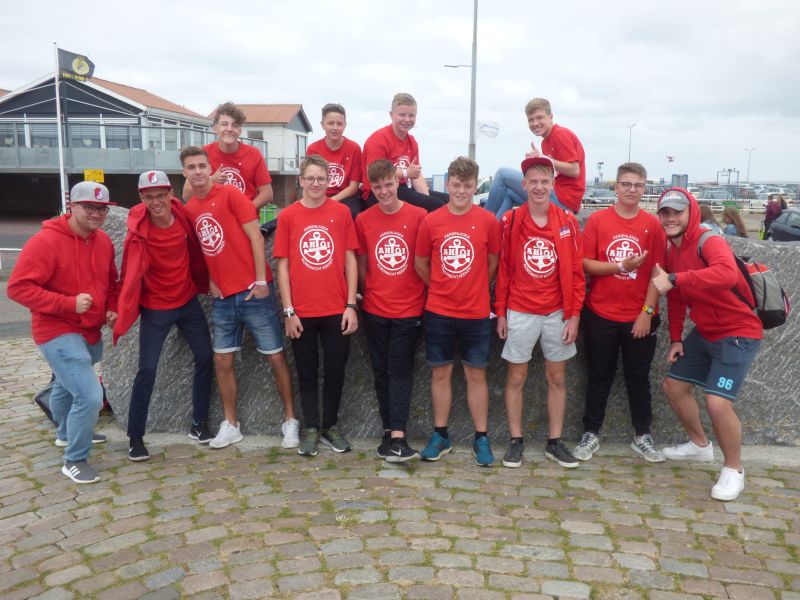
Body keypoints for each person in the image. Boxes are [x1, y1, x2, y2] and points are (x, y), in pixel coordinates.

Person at [180, 146, 299, 450]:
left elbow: (255, 236)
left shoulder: (231, 194)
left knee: (275, 356)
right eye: (191, 167)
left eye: (202, 166)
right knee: (222, 359)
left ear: (210, 168)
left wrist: (260, 281)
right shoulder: (190, 209)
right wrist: (209, 279)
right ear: (184, 173)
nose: (197, 172)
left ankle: (290, 420)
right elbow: (201, 249)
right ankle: (231, 423)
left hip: (254, 291)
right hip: (223, 297)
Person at [651, 188, 762, 502]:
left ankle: (734, 469)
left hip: (738, 332)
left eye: (677, 212)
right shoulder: (672, 250)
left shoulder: (708, 240)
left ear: (691, 213)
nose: (671, 218)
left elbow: (726, 274)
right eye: (665, 213)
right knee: (674, 387)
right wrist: (676, 338)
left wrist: (676, 278)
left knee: (717, 403)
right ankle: (700, 445)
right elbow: (674, 299)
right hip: (706, 331)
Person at [8, 182, 119, 484]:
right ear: (73, 207)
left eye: (102, 209)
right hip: (56, 330)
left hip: (91, 330)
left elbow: (112, 282)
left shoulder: (103, 241)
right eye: (89, 207)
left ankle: (66, 432)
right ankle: (74, 460)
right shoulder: (45, 241)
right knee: (89, 395)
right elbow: (18, 288)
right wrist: (68, 304)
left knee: (65, 385)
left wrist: (111, 307)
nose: (96, 214)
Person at [114, 170, 214, 462]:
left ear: (171, 194)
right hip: (156, 308)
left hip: (187, 302)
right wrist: (118, 307)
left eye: (161, 195)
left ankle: (198, 423)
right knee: (147, 369)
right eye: (149, 197)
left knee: (206, 357)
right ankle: (135, 437)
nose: (156, 202)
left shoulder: (183, 217)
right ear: (141, 198)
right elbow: (128, 273)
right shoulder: (138, 230)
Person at [572, 163, 666, 464]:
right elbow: (585, 263)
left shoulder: (653, 225)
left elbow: (658, 273)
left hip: (639, 315)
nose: (631, 190)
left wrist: (647, 312)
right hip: (601, 314)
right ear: (616, 187)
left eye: (638, 185)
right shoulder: (598, 221)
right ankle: (591, 432)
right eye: (626, 184)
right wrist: (621, 266)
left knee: (638, 378)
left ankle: (642, 434)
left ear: (645, 188)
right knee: (598, 376)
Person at [495, 156, 584, 469]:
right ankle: (516, 440)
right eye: (533, 181)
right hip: (520, 309)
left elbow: (576, 272)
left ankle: (554, 441)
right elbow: (504, 269)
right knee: (516, 376)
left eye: (544, 181)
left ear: (552, 184)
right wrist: (501, 312)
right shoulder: (511, 220)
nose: (538, 187)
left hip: (557, 312)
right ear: (523, 185)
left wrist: (574, 315)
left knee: (557, 377)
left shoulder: (567, 221)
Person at [414, 156, 501, 466]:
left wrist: (475, 286)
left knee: (476, 374)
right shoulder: (431, 221)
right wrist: (441, 285)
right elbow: (421, 263)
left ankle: (481, 437)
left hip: (476, 312)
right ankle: (441, 435)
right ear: (447, 185)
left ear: (475, 186)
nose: (461, 191)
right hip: (439, 310)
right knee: (441, 373)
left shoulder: (488, 221)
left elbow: (493, 262)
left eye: (467, 185)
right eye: (456, 185)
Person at [274, 154, 359, 457]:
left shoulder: (341, 213)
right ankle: (311, 427)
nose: (315, 183)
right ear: (301, 181)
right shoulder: (288, 216)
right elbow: (282, 266)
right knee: (306, 372)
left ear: (328, 181)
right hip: (302, 310)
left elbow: (350, 259)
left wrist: (351, 304)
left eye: (321, 179)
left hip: (336, 308)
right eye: (310, 178)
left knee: (336, 371)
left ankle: (330, 426)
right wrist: (288, 311)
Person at [355, 159, 427, 462]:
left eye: (388, 184)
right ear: (371, 189)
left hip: (409, 308)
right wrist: (367, 293)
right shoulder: (364, 220)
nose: (384, 191)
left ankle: (398, 435)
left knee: (399, 369)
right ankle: (388, 433)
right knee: (381, 371)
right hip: (375, 308)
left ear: (398, 182)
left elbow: (424, 260)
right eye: (377, 187)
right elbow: (362, 264)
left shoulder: (419, 216)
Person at [484, 98, 585, 218]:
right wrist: (537, 163)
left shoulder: (559, 134)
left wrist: (544, 159)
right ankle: (495, 227)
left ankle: (482, 222)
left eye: (539, 118)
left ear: (550, 117)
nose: (535, 123)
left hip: (563, 201)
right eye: (530, 120)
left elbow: (575, 170)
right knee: (508, 193)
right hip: (556, 197)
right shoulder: (545, 142)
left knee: (502, 174)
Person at [361, 93, 448, 213]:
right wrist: (406, 172)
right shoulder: (378, 139)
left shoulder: (411, 141)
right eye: (402, 115)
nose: (407, 119)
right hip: (379, 192)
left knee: (447, 201)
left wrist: (426, 197)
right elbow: (373, 174)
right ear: (391, 115)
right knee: (435, 204)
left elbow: (416, 175)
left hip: (403, 188)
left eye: (411, 115)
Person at [183, 102, 273, 208]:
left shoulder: (253, 154)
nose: (229, 129)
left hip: (245, 216)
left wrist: (247, 210)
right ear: (216, 128)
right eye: (224, 124)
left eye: (235, 125)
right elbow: (186, 195)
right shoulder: (203, 153)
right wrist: (211, 180)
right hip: (213, 214)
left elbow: (267, 193)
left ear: (239, 130)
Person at [306, 103, 364, 220]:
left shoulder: (354, 148)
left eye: (339, 124)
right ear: (322, 125)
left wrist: (331, 201)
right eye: (330, 123)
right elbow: (310, 181)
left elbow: (354, 187)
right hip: (319, 195)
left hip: (346, 196)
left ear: (345, 125)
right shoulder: (313, 149)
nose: (335, 128)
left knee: (351, 213)